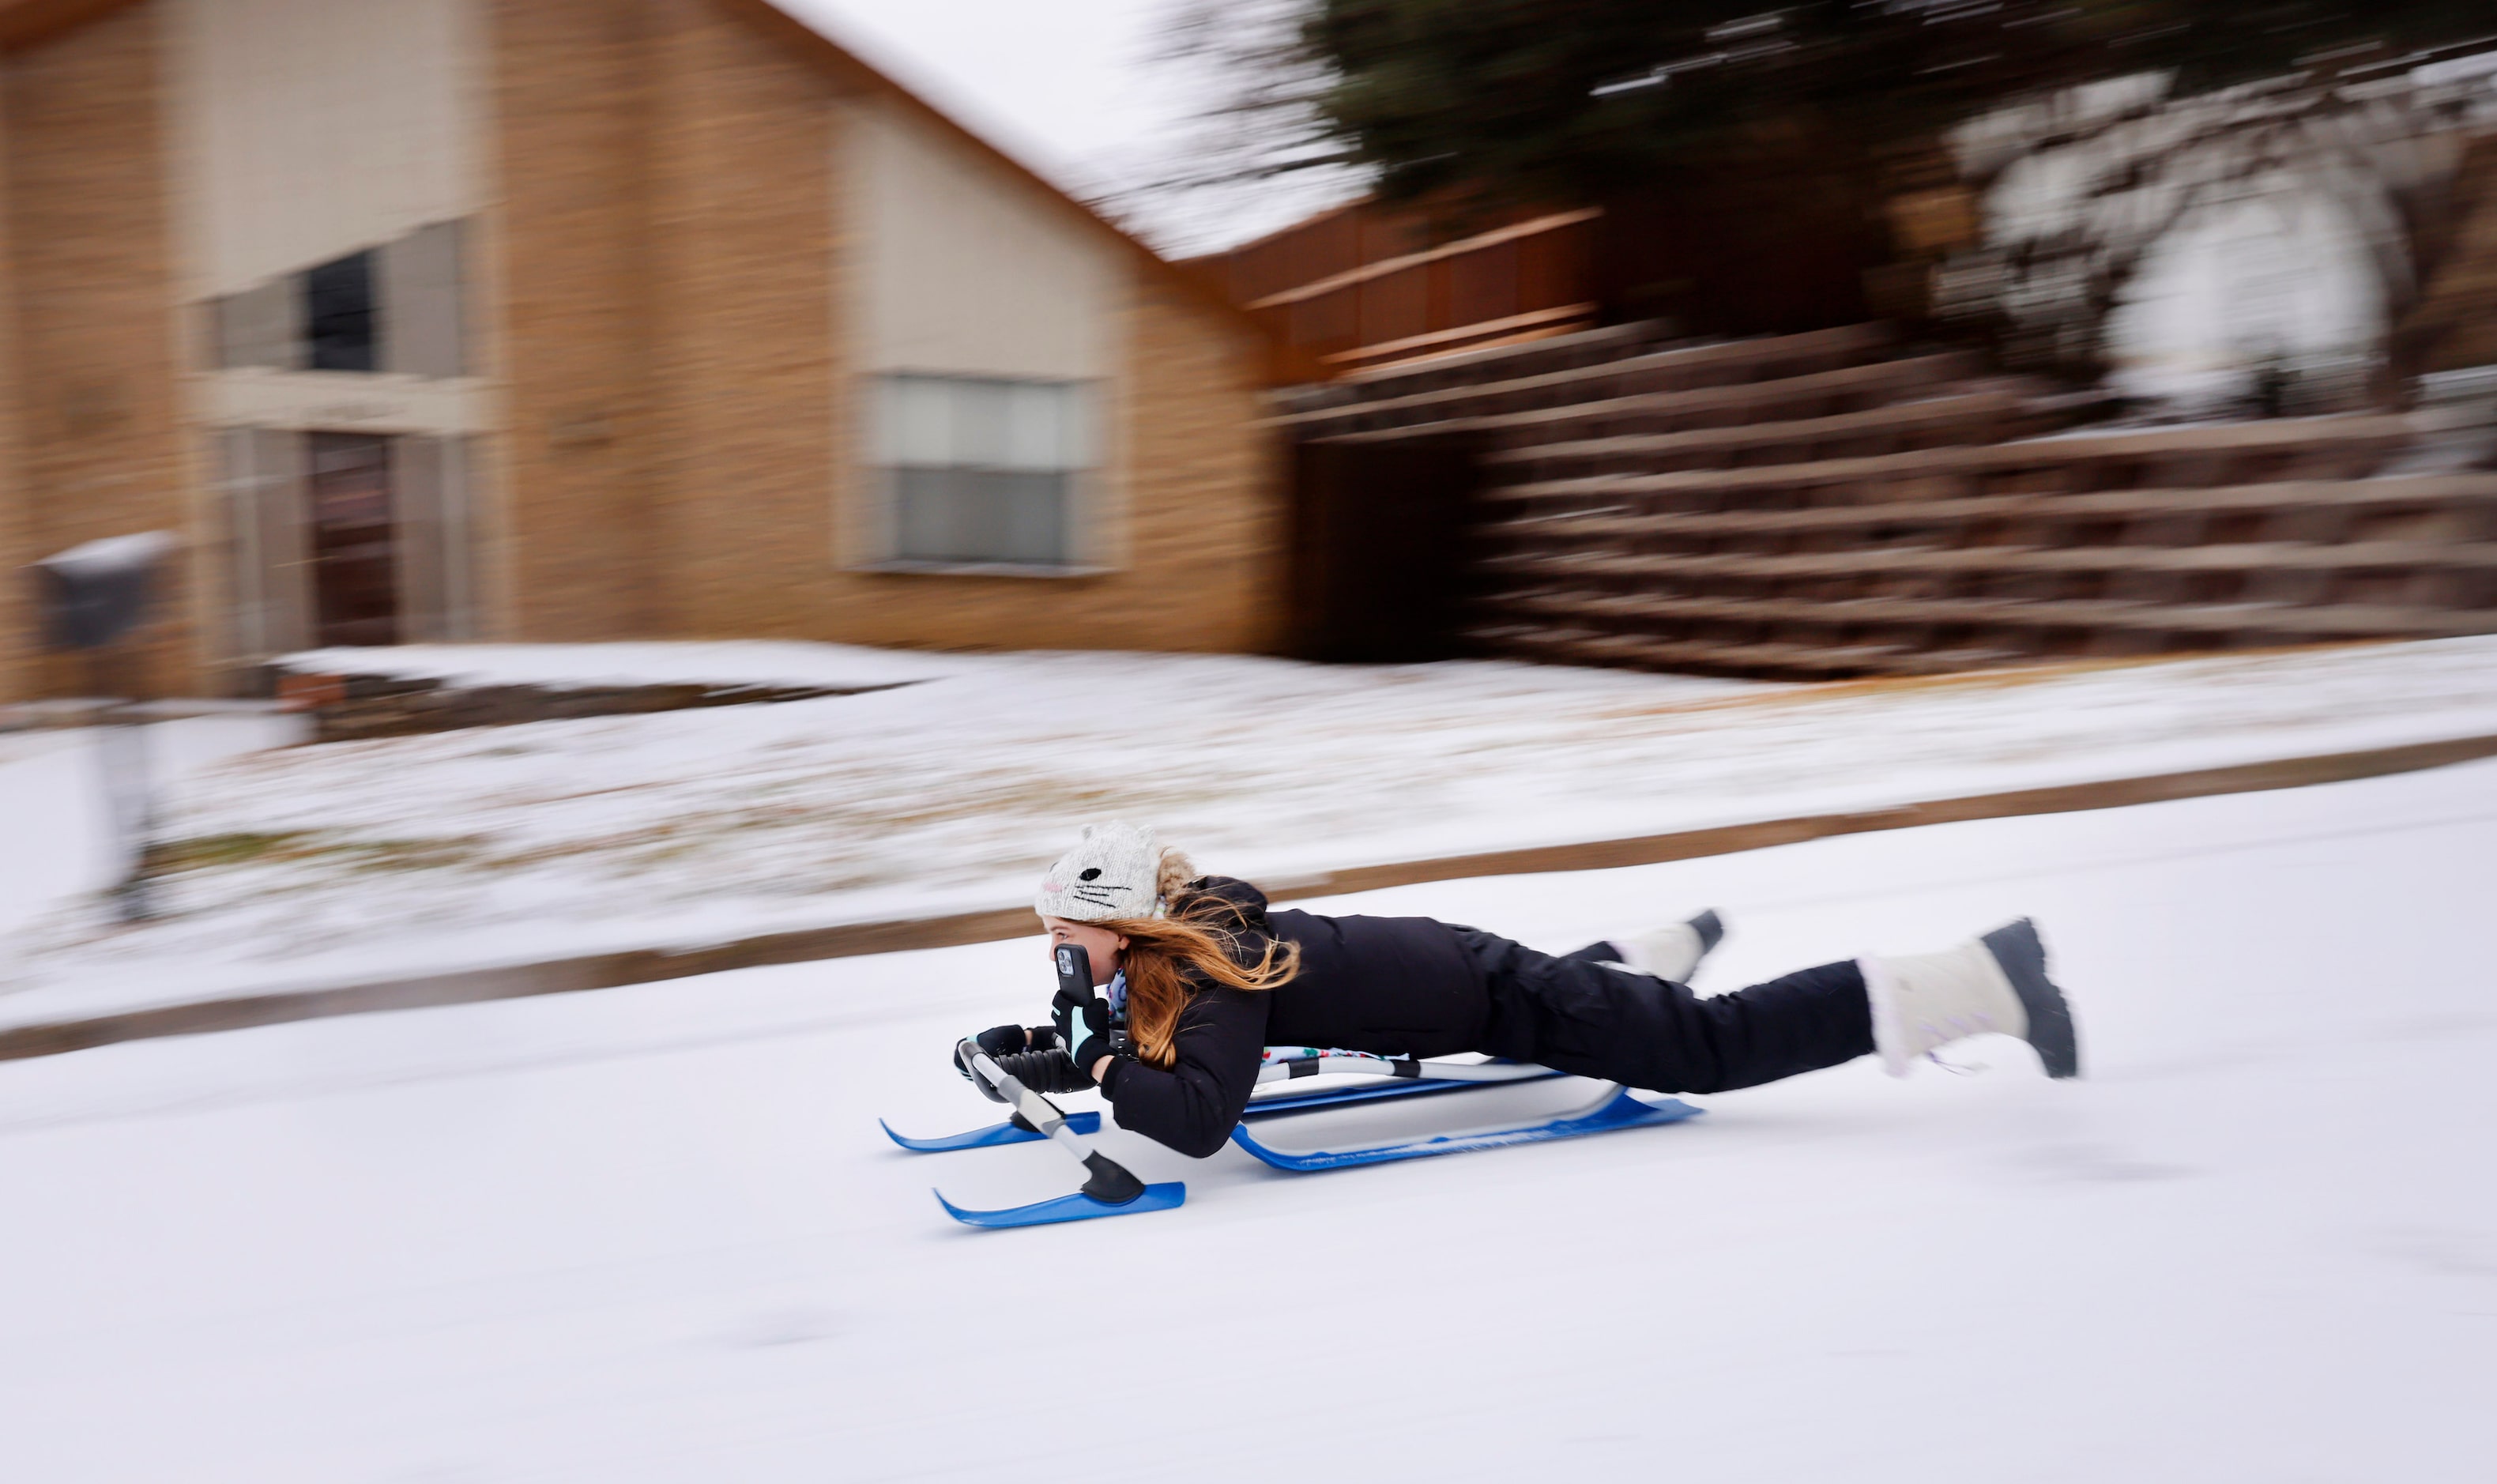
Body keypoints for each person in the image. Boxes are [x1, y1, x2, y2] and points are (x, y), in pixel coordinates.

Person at [961, 821, 2081, 1159]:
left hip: (1488, 993)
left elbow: (1201, 1115)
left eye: (1065, 939)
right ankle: (1645, 959)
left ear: (1121, 929)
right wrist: (1049, 1042)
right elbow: (1148, 1041)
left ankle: (1980, 976)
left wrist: (1102, 1067)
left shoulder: (1219, 965)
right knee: (1584, 1005)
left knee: (1709, 1048)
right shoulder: (1178, 957)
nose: (1057, 955)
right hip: (1466, 978)